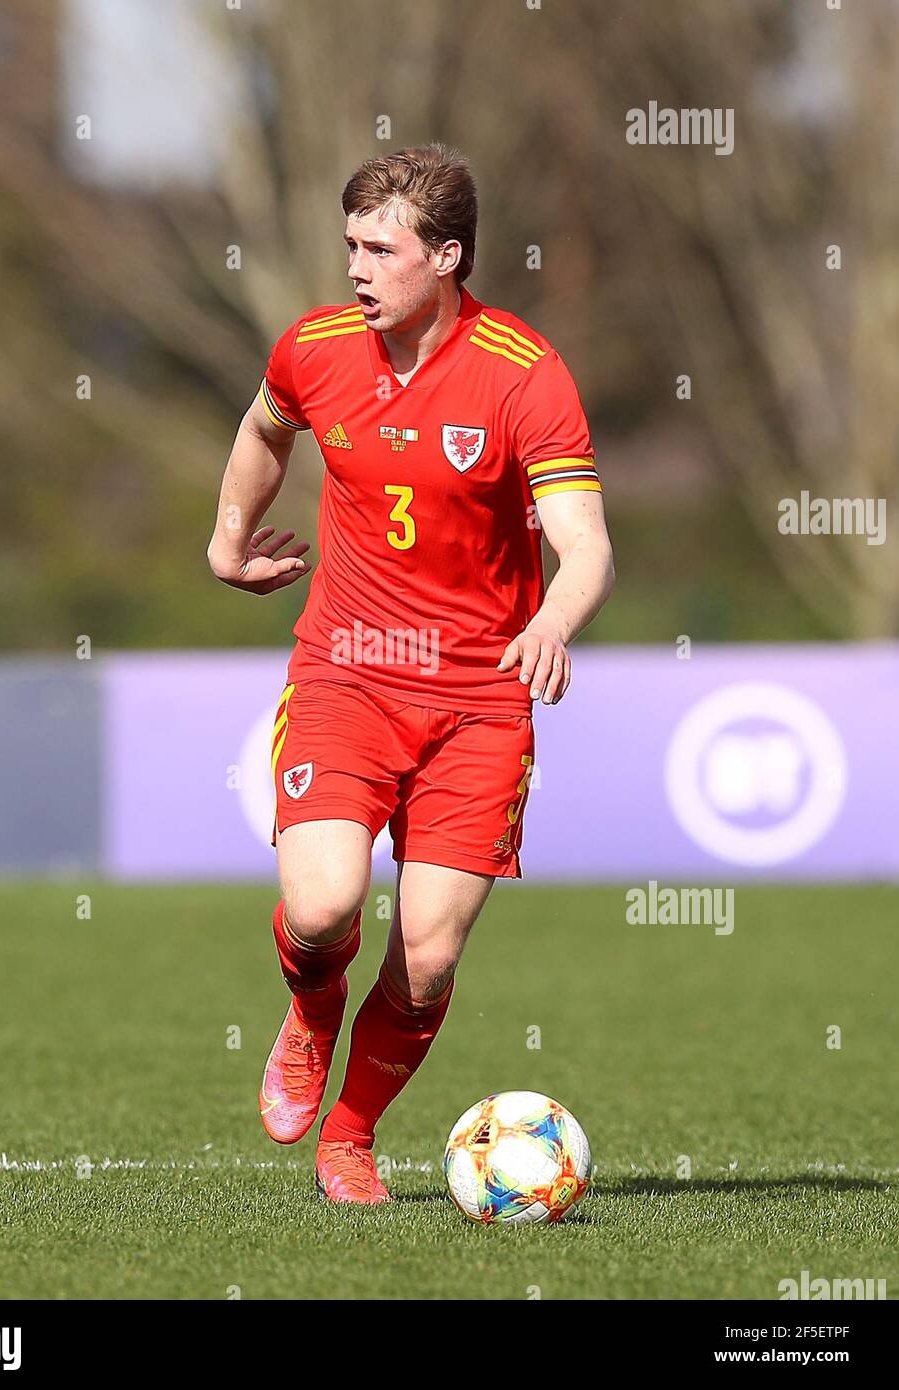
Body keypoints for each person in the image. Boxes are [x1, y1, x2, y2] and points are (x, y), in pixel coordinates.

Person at [209, 144, 615, 1204]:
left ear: (445, 256)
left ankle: (350, 1135)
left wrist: (555, 618)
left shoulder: (525, 373)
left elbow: (587, 543)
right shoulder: (315, 348)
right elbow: (264, 429)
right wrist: (227, 537)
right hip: (346, 674)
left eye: (379, 249)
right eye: (350, 244)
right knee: (323, 908)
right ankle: (308, 1013)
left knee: (427, 956)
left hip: (480, 701)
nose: (356, 266)